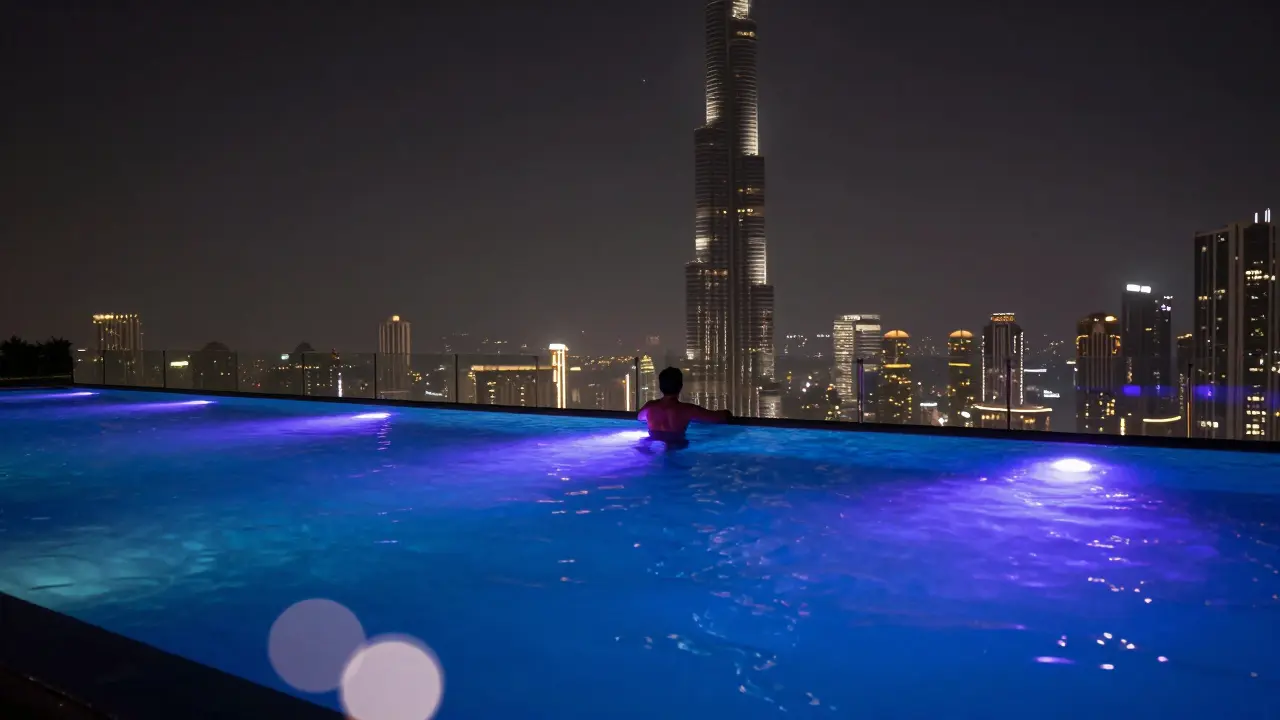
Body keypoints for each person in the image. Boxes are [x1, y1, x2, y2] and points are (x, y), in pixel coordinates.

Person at [637, 367, 730, 441]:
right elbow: (719, 417)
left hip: (653, 445)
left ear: (660, 387)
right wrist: (727, 413)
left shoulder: (649, 407)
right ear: (680, 386)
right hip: (675, 448)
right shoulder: (687, 410)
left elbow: (639, 417)